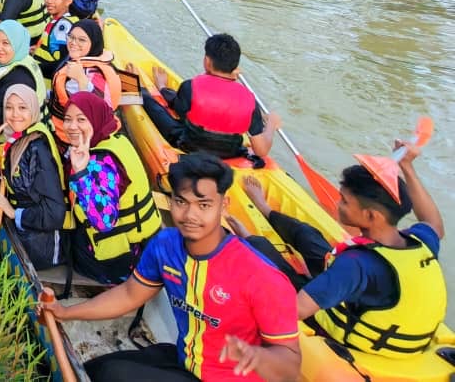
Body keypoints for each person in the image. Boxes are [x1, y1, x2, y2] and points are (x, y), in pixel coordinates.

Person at [39, 153, 301, 382]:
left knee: (112, 375)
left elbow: (290, 366)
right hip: (185, 360)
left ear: (224, 205)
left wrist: (257, 356)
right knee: (92, 370)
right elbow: (129, 294)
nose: (190, 215)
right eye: (181, 202)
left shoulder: (261, 275)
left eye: (204, 205)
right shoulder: (166, 245)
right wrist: (65, 313)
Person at [234, 142, 446, 360]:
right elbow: (434, 223)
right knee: (307, 235)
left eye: (344, 201)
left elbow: (296, 310)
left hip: (348, 333)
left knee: (264, 256)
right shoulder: (421, 240)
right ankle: (265, 208)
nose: (338, 203)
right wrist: (407, 166)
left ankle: (249, 239)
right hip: (367, 297)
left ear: (371, 216)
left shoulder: (355, 265)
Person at [64, 92, 161, 283]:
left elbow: (104, 222)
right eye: (68, 119)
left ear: (95, 119)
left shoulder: (99, 162)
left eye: (81, 119)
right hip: (144, 247)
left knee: (63, 238)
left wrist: (80, 173)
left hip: (118, 261)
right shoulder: (118, 140)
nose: (72, 126)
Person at [137, 33, 278, 161]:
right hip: (230, 153)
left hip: (189, 146)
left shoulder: (190, 86)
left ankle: (143, 90)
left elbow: (179, 110)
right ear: (235, 66)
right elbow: (261, 150)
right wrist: (271, 124)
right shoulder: (251, 101)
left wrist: (162, 88)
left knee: (153, 105)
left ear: (207, 61)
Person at [0, 83, 68, 270]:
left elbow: (55, 214)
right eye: (9, 108)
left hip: (43, 247)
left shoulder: (38, 149)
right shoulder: (18, 140)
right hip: (27, 230)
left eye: (22, 108)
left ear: (33, 109)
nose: (15, 114)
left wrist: (13, 213)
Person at [46, 19, 121, 138]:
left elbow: (97, 113)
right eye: (71, 37)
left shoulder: (88, 73)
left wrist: (81, 80)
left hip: (71, 136)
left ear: (93, 43)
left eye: (81, 40)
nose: (73, 43)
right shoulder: (88, 59)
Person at [32, 0, 80, 88]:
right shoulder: (59, 20)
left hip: (47, 84)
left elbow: (62, 63)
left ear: (68, 1)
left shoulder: (63, 26)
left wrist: (33, 67)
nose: (49, 1)